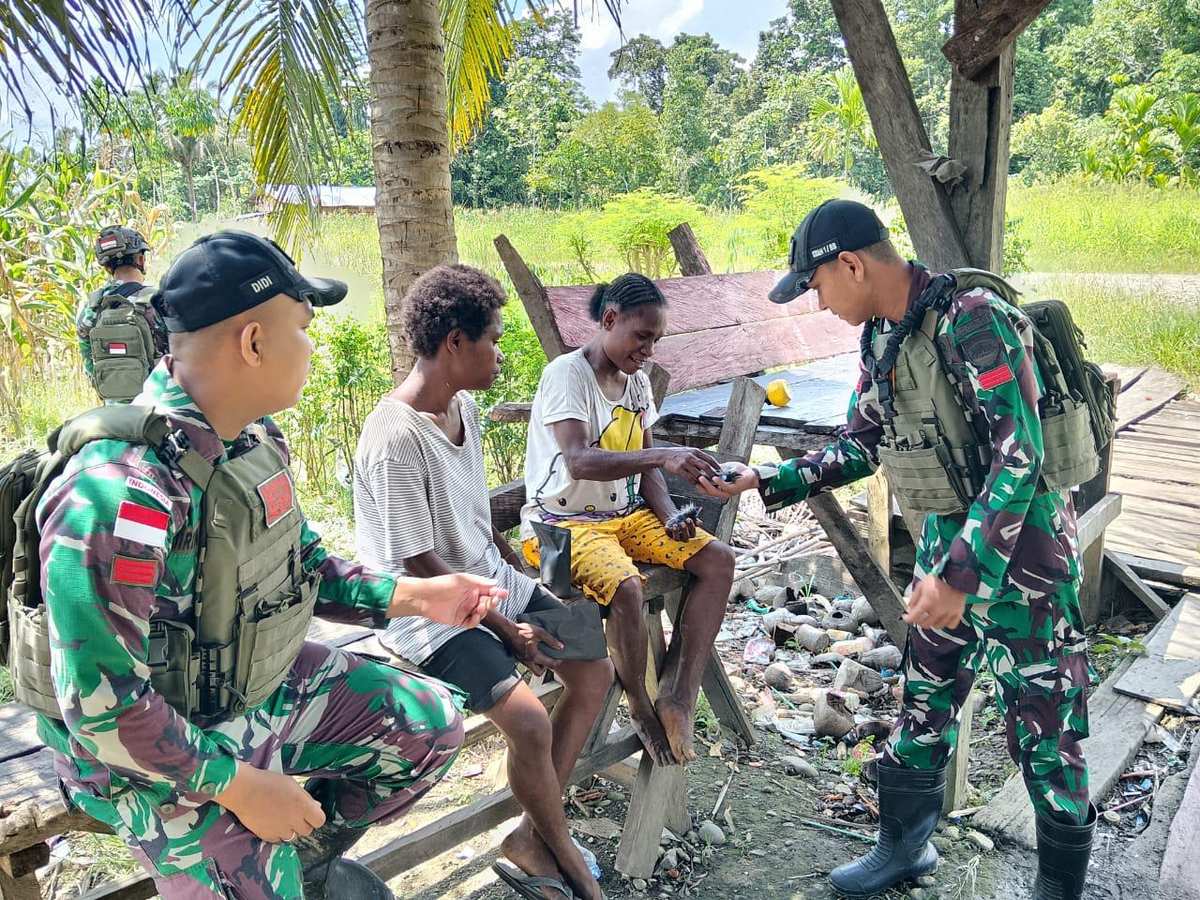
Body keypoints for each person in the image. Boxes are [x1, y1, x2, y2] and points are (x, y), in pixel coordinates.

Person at [32, 231, 504, 900]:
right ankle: (262, 870)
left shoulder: (252, 439)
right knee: (253, 868)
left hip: (238, 684)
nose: (312, 347)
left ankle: (297, 865)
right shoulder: (119, 492)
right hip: (138, 748)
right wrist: (244, 789)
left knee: (427, 727)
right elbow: (102, 711)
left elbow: (302, 567)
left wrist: (416, 597)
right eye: (304, 328)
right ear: (253, 343)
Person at [702, 200, 1095, 900]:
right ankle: (903, 850)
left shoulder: (977, 318)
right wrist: (769, 475)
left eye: (817, 285)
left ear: (850, 263)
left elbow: (1020, 455)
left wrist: (964, 579)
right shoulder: (883, 336)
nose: (818, 302)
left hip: (1025, 561)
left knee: (1046, 727)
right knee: (924, 707)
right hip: (946, 558)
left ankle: (1058, 889)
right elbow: (863, 441)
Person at [353, 264, 615, 900]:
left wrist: (523, 585)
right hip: (426, 613)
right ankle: (568, 862)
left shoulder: (462, 407)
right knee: (527, 722)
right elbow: (419, 563)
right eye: (493, 340)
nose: (500, 355)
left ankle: (534, 837)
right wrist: (510, 628)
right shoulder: (393, 437)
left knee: (593, 667)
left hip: (491, 586)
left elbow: (472, 523)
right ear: (453, 344)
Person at [520, 272, 736, 767]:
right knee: (629, 588)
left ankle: (678, 696)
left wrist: (670, 512)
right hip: (558, 528)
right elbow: (577, 461)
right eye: (642, 336)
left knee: (717, 561)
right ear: (610, 320)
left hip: (623, 516)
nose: (649, 351)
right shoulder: (566, 375)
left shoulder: (636, 383)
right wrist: (662, 457)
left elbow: (644, 462)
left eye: (656, 340)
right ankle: (638, 701)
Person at [76, 225, 169, 403]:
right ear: (141, 260)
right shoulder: (159, 301)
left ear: (107, 268)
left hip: (113, 415)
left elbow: (89, 365)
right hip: (159, 412)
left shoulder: (92, 307)